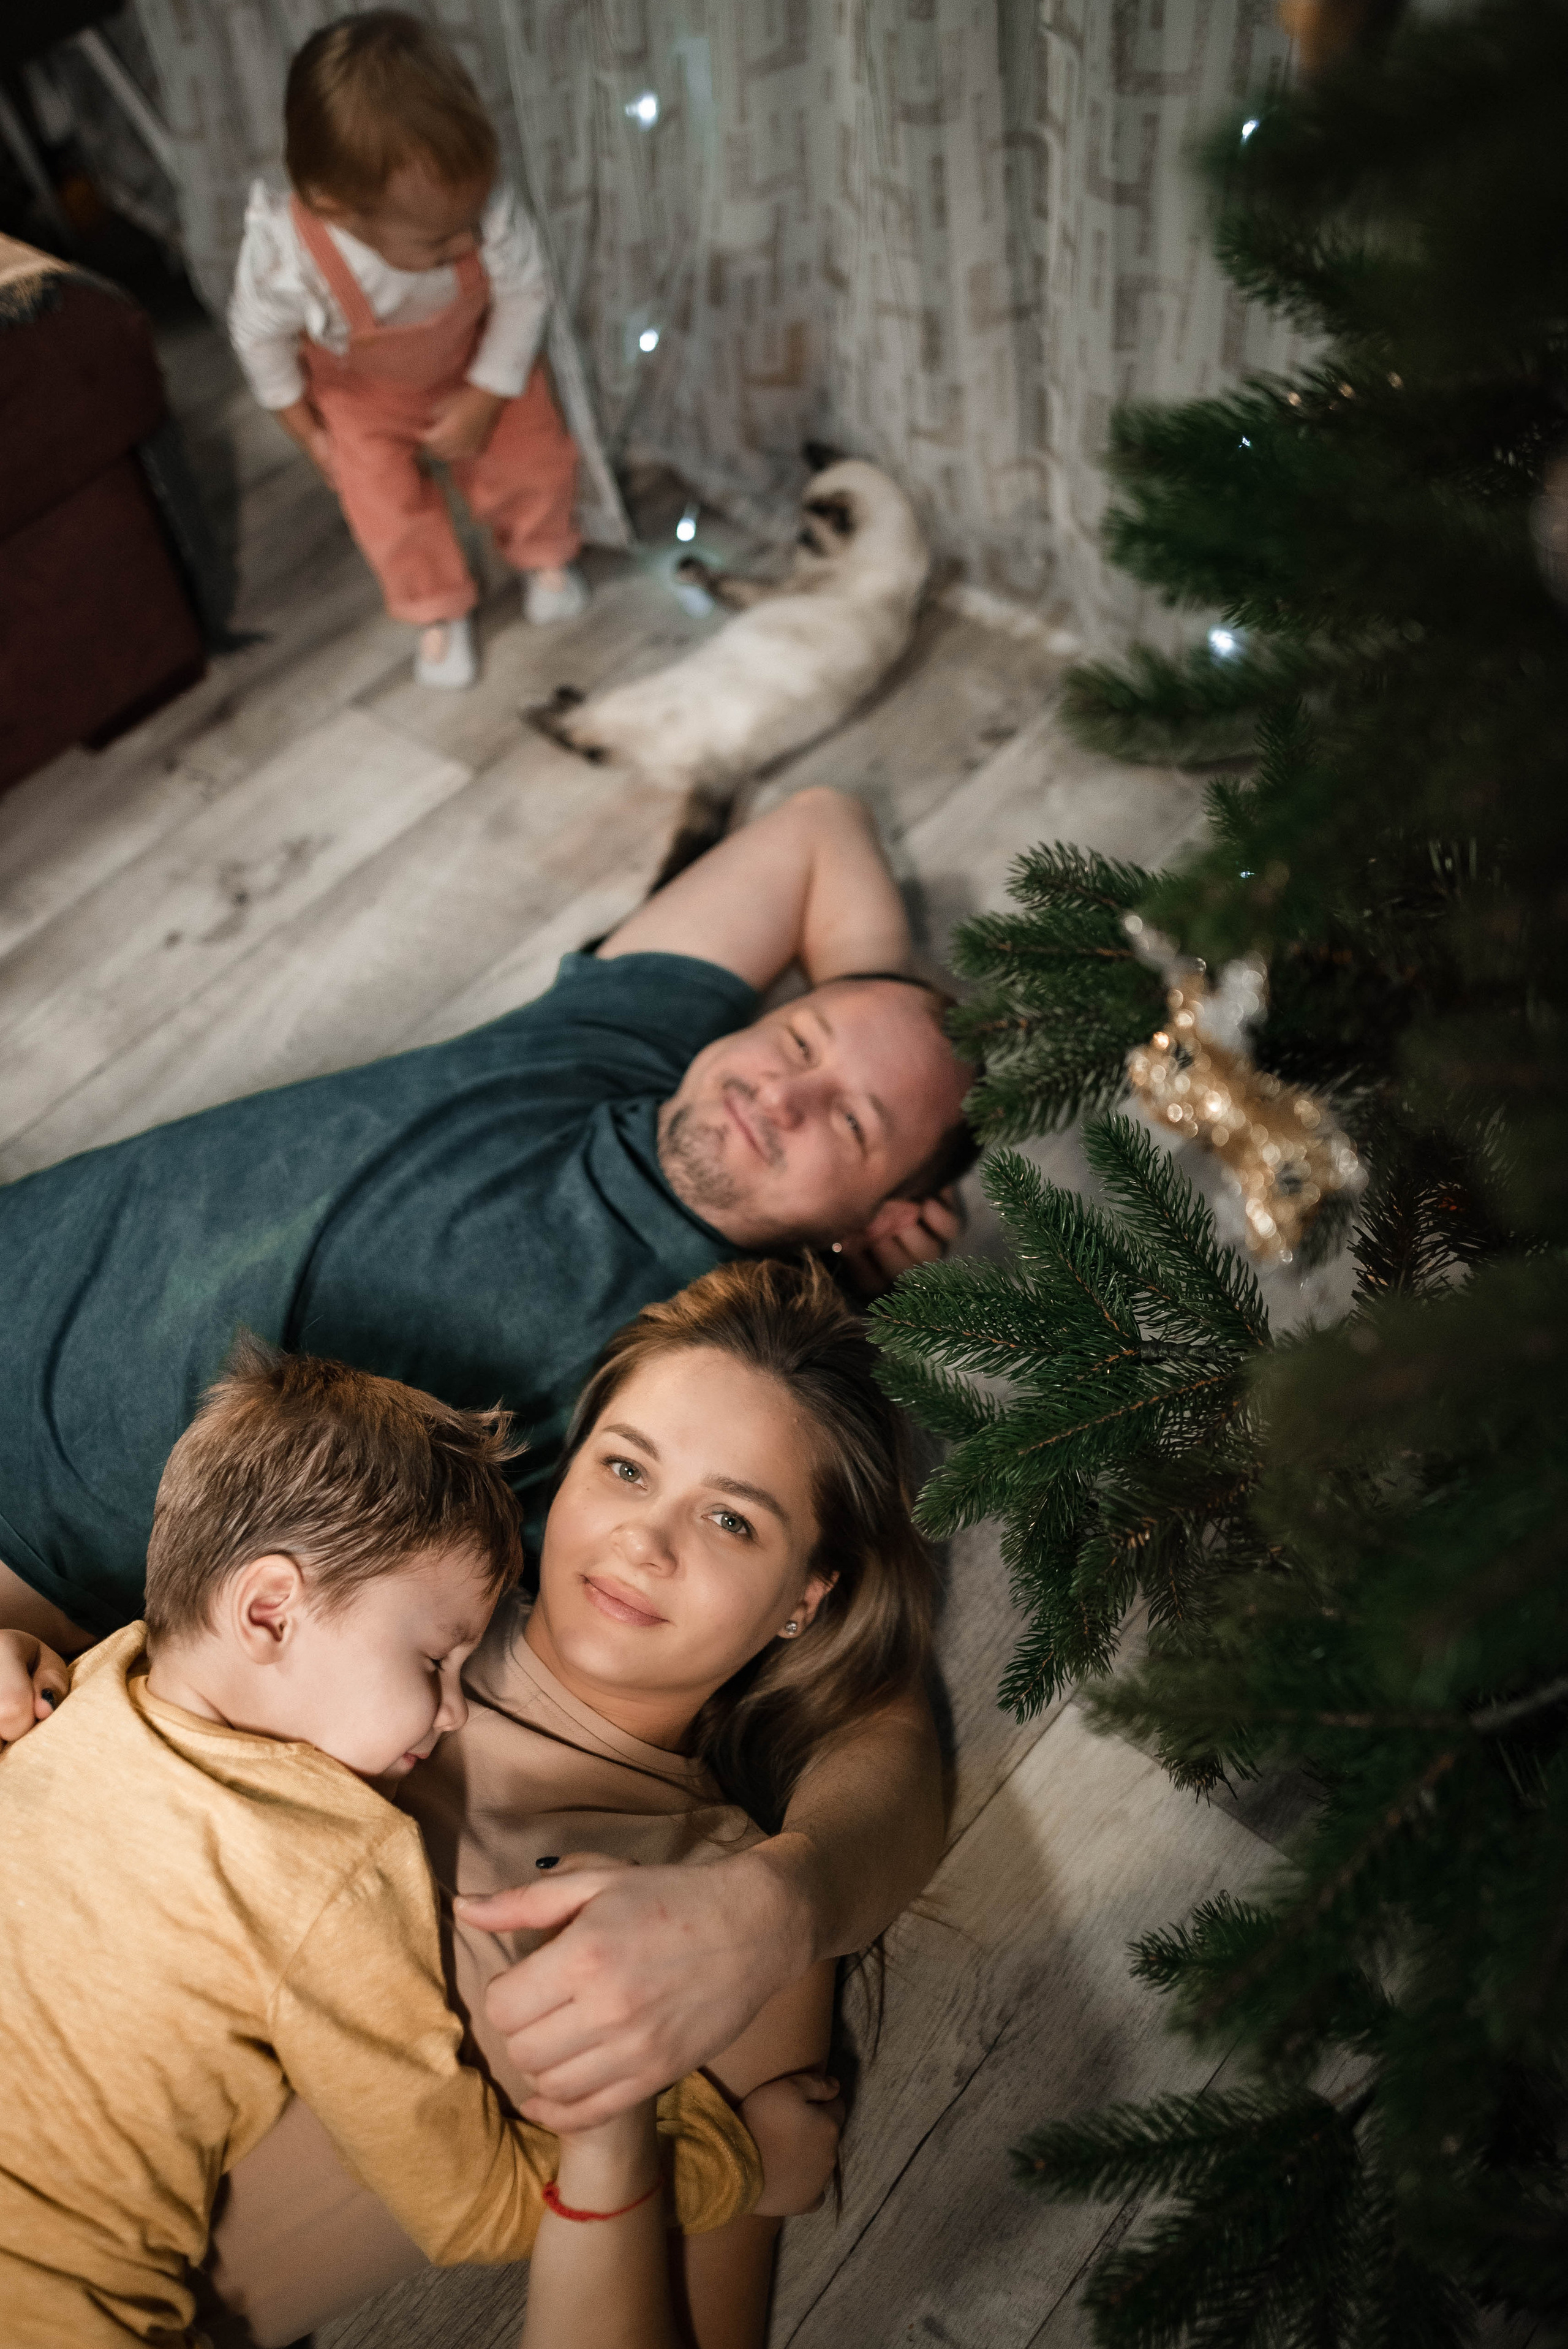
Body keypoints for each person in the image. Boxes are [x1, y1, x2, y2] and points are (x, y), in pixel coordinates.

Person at [0, 781, 970, 2141]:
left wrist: (778, 1907)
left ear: (880, 1217)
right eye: (800, 1035)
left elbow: (882, 1723)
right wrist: (895, 1013)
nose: (782, 1093)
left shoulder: (687, 1401)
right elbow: (818, 827)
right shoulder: (604, 1042)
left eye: (851, 1127)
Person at [206, 1257, 937, 2349]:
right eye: (628, 1467)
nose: (647, 1539)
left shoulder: (719, 1904)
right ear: (569, 1470)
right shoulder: (361, 1581)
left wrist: (671, 2161)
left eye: (733, 1520)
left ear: (805, 1598)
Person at [0, 1344, 786, 2349]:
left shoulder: (94, 1685)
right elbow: (475, 2205)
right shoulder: (330, 1873)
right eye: (433, 1659)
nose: (454, 1709)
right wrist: (738, 2156)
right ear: (270, 1609)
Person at [229, 10, 587, 692]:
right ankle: (435, 605)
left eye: (469, 223)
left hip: (475, 357)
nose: (465, 246)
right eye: (439, 241)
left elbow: (525, 292)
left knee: (531, 455)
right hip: (361, 396)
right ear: (337, 207)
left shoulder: (479, 202)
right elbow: (257, 341)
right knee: (386, 509)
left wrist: (486, 396)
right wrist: (311, 438)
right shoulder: (286, 255)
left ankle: (543, 552)